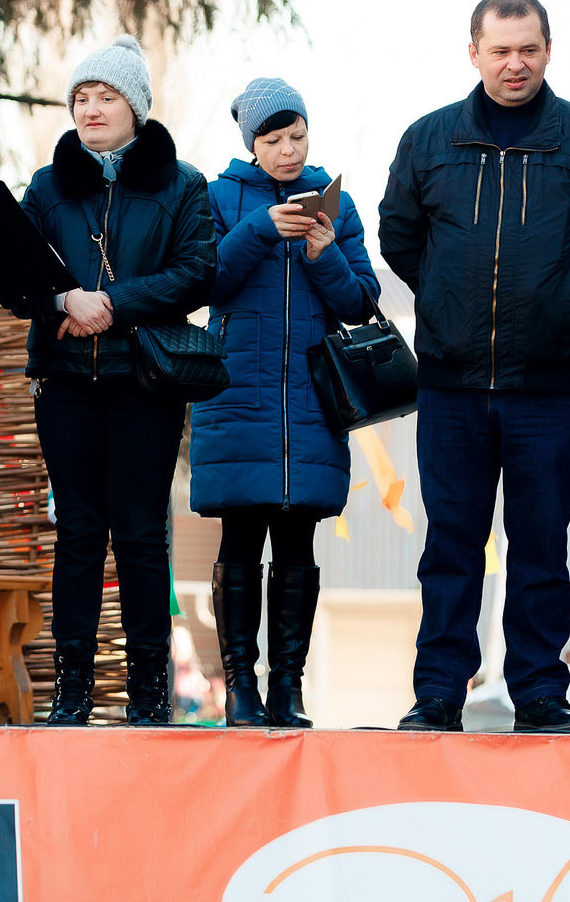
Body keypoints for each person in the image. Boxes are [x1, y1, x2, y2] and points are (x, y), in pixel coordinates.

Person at [379, 0, 570, 734]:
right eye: (500, 50)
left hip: (550, 387)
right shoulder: (429, 139)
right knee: (451, 544)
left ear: (548, 50)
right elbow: (399, 235)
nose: (515, 63)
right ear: (473, 53)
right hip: (451, 385)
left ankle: (538, 692)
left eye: (528, 48)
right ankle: (438, 693)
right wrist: (443, 302)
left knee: (540, 546)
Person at [16, 34, 213, 725]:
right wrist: (64, 300)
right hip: (65, 382)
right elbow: (19, 271)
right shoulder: (45, 185)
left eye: (105, 96)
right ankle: (72, 689)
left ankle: (149, 691)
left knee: (138, 533)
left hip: (145, 382)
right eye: (81, 97)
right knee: (77, 531)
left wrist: (114, 304)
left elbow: (198, 269)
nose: (90, 108)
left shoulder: (183, 183)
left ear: (136, 106)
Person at [188, 78, 378, 729]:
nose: (289, 150)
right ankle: (239, 687)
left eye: (298, 135)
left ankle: (287, 689)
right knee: (239, 539)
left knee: (297, 544)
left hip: (313, 402)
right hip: (236, 392)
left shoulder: (337, 202)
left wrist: (325, 256)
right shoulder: (217, 197)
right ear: (251, 143)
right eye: (273, 139)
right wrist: (260, 230)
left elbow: (361, 302)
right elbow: (206, 278)